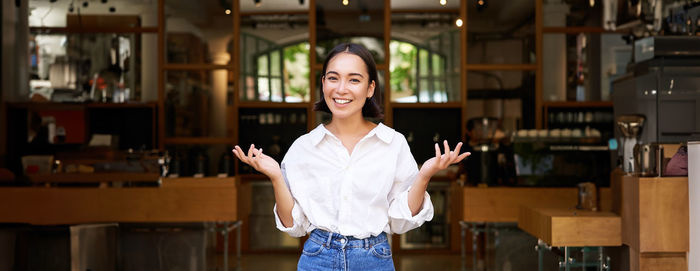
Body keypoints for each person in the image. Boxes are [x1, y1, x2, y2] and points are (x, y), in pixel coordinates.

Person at [232, 43, 470, 271]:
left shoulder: (392, 144)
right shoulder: (304, 147)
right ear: (323, 83)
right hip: (317, 259)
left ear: (370, 89)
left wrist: (425, 175)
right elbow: (293, 225)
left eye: (354, 79)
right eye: (333, 78)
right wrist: (275, 177)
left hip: (374, 259)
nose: (341, 88)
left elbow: (399, 221)